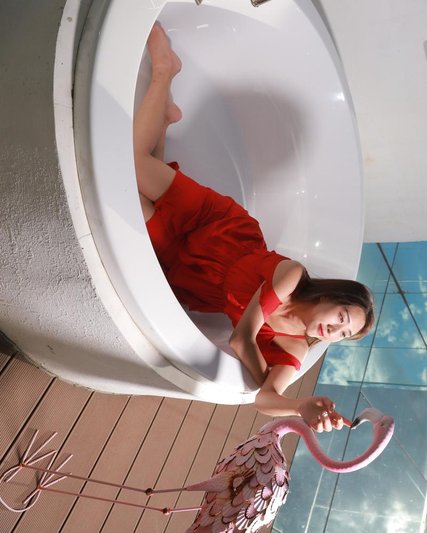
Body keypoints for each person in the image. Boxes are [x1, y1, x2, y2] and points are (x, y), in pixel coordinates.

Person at [134, 23, 374, 433]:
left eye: (342, 334)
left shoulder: (295, 347)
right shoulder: (292, 277)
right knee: (133, 166)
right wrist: (268, 375)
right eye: (341, 316)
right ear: (331, 295)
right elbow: (242, 338)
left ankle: (166, 117)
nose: (333, 329)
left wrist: (299, 407)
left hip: (194, 273)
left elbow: (264, 400)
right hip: (217, 228)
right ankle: (164, 69)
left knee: (128, 194)